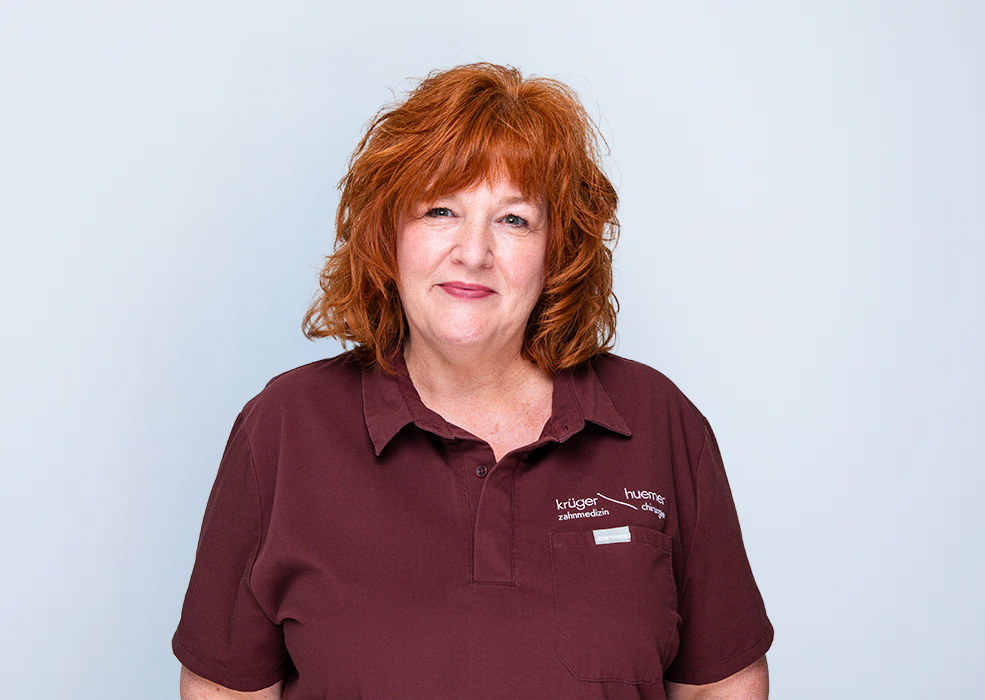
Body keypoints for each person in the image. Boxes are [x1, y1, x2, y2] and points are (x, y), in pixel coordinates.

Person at [173, 62, 773, 700]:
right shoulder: (284, 429)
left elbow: (719, 687)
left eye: (514, 220)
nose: (473, 251)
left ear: (559, 250)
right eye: (441, 210)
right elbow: (224, 692)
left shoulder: (657, 422)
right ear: (387, 233)